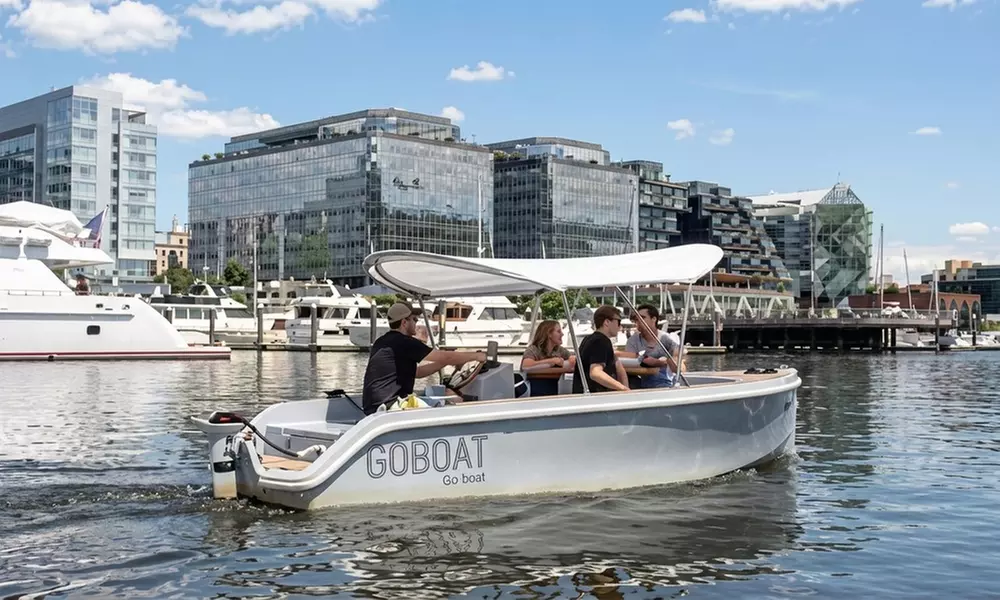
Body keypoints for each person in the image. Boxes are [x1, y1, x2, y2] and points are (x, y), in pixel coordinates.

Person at [362, 302, 486, 414]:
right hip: (391, 405)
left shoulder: (383, 341)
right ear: (404, 322)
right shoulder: (404, 342)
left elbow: (417, 373)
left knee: (447, 398)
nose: (417, 323)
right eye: (414, 319)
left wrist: (446, 363)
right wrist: (477, 356)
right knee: (453, 404)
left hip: (375, 406)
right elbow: (445, 356)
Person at [620, 304, 681, 388]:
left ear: (654, 319)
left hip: (665, 382)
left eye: (643, 318)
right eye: (637, 319)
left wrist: (667, 359)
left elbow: (678, 369)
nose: (639, 321)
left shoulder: (668, 339)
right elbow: (629, 365)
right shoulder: (633, 340)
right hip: (641, 382)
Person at [572, 305, 629, 394]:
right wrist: (624, 389)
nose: (620, 326)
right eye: (618, 321)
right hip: (595, 399)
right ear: (607, 322)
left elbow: (618, 366)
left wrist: (626, 390)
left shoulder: (589, 339)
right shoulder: (601, 341)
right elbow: (595, 373)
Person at [520, 320, 576, 397]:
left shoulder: (560, 350)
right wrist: (552, 361)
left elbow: (572, 362)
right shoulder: (533, 349)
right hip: (535, 394)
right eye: (558, 331)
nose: (562, 334)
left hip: (553, 392)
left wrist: (566, 364)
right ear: (549, 334)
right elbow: (526, 366)